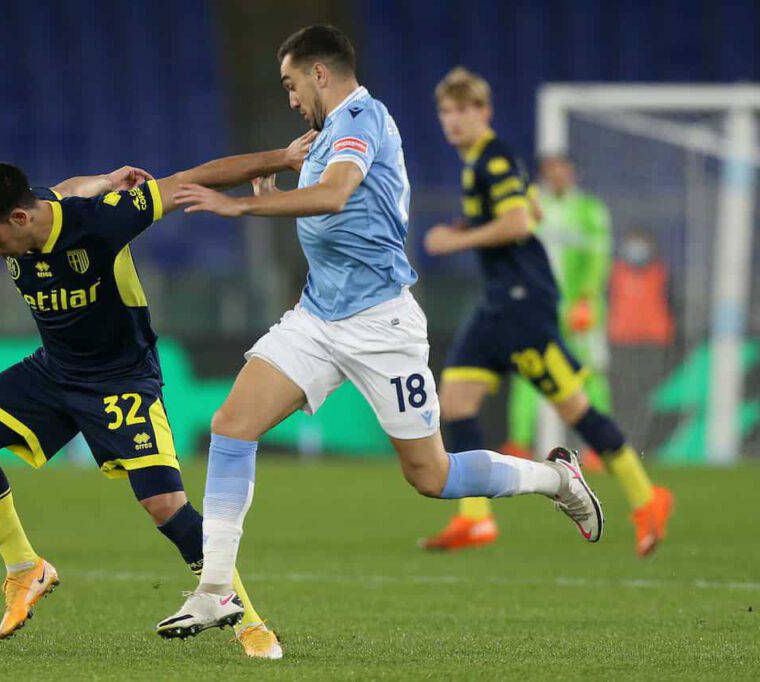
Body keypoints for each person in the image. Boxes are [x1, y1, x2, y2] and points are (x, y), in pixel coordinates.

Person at [157, 26, 603, 639]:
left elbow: (337, 195)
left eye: (291, 84)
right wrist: (279, 194)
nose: (289, 98)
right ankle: (214, 591)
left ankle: (556, 478)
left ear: (320, 74)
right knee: (232, 426)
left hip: (381, 326)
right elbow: (335, 217)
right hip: (317, 318)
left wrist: (244, 206)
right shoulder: (324, 136)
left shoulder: (363, 118)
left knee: (433, 477)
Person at [0, 139, 317, 659]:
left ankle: (249, 623)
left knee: (165, 504)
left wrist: (281, 159)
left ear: (21, 217)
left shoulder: (102, 223)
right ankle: (26, 568)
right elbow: (67, 189)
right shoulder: (42, 208)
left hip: (122, 380)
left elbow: (191, 178)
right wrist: (103, 175)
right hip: (54, 370)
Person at [422, 67, 673, 557]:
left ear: (483, 112)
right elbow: (525, 209)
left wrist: (456, 238)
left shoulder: (492, 160)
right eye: (446, 111)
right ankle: (475, 518)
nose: (453, 120)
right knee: (454, 403)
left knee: (574, 407)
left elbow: (515, 223)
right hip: (499, 302)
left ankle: (648, 497)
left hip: (523, 306)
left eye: (463, 110)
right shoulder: (484, 163)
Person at [503, 156, 613, 469]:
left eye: (564, 170)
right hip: (539, 308)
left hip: (580, 311)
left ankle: (602, 447)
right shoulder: (531, 207)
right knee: (527, 371)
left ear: (572, 172)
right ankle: (520, 443)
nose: (559, 176)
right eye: (553, 171)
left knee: (589, 375)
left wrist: (587, 299)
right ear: (544, 175)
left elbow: (598, 258)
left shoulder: (590, 210)